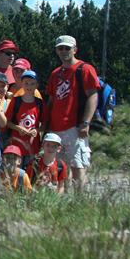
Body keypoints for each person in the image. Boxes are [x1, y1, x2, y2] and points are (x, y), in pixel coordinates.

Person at [45, 35, 99, 193]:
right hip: (55, 128)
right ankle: (65, 200)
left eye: (67, 48)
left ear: (75, 49)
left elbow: (92, 96)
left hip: (75, 126)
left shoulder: (85, 69)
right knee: (60, 168)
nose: (64, 51)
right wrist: (45, 124)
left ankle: (79, 200)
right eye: (60, 48)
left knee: (77, 165)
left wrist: (86, 122)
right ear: (56, 50)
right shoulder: (55, 73)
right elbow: (51, 100)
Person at [0, 70, 44, 169]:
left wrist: (37, 130)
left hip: (32, 145)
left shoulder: (39, 103)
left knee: (31, 171)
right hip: (16, 144)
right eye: (26, 83)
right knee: (15, 171)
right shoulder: (16, 101)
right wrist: (18, 128)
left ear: (37, 85)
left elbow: (45, 124)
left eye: (32, 84)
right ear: (22, 84)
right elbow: (7, 122)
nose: (29, 86)